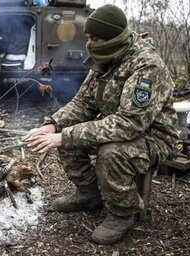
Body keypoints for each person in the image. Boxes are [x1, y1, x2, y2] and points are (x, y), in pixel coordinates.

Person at [22, 4, 179, 245]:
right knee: (67, 134)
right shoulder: (105, 58)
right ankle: (89, 195)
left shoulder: (147, 66)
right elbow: (83, 103)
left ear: (113, 37)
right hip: (118, 128)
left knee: (109, 151)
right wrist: (53, 125)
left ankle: (122, 212)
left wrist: (66, 136)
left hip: (152, 137)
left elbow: (130, 123)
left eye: (96, 38)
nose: (90, 43)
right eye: (89, 38)